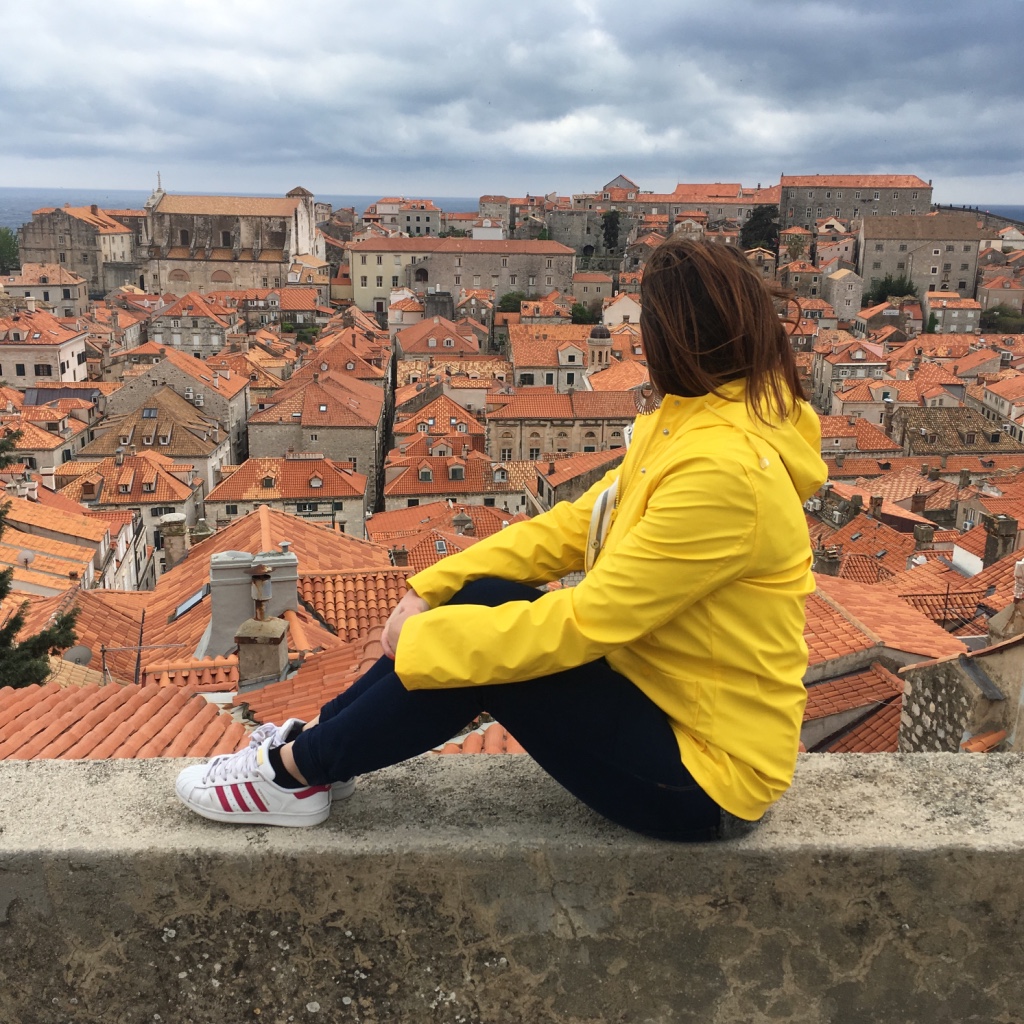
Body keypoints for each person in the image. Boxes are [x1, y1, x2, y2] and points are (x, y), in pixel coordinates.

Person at [176, 238, 827, 841]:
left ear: (676, 339)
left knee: (479, 655)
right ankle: (317, 747)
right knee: (482, 596)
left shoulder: (726, 471)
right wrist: (432, 589)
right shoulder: (692, 425)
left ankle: (293, 772)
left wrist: (430, 641)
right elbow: (574, 527)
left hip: (708, 779)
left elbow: (589, 622)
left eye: (645, 327)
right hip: (661, 704)